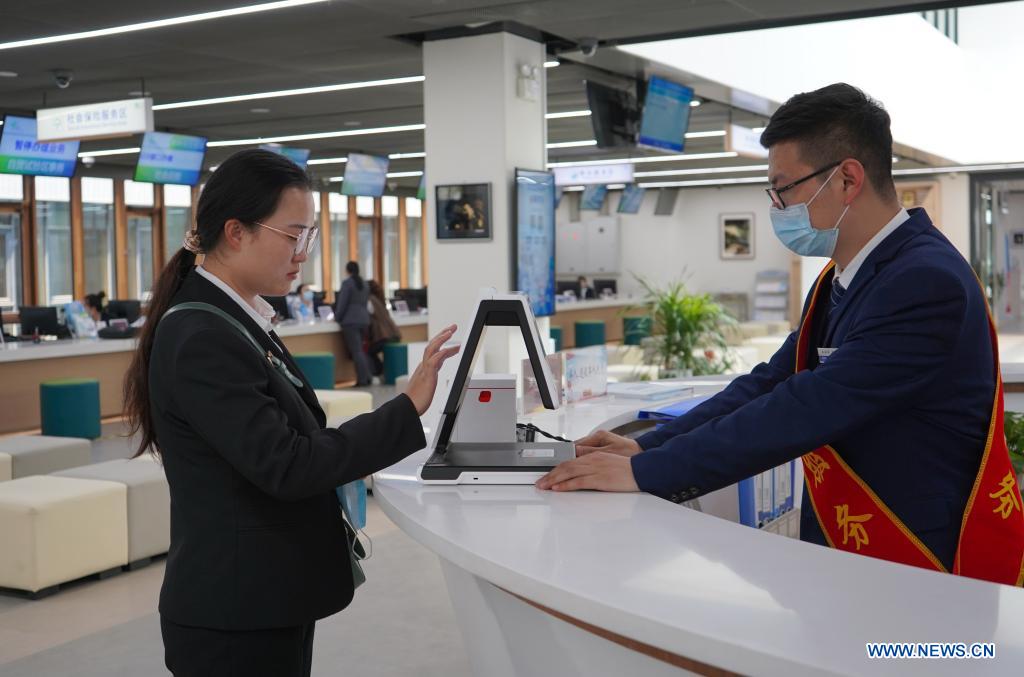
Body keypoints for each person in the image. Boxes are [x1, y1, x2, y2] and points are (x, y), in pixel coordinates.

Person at [537, 83, 1024, 585]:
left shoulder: (924, 281)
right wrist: (647, 448)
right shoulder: (845, 276)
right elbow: (771, 382)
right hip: (849, 548)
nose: (778, 206)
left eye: (784, 188)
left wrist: (646, 474)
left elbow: (807, 405)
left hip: (917, 557)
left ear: (847, 179)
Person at [123, 148, 459, 677]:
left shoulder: (235, 316)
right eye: (293, 235)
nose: (303, 252)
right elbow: (287, 465)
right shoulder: (202, 334)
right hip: (234, 611)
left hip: (264, 595)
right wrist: (405, 410)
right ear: (236, 232)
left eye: (310, 237)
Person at [334, 261, 373, 386]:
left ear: (347, 271)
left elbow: (342, 303)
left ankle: (363, 380)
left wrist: (337, 317)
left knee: (357, 351)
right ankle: (368, 377)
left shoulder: (347, 283)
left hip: (350, 321)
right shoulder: (365, 284)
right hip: (364, 319)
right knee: (361, 350)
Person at [367, 279, 401, 377]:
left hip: (384, 336)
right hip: (394, 334)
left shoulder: (370, 301)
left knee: (369, 352)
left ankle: (378, 372)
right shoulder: (381, 300)